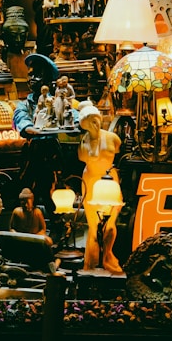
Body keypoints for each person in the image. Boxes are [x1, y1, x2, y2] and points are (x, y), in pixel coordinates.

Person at [13, 53, 63, 215]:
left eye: (38, 75)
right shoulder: (25, 104)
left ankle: (57, 224)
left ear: (48, 79)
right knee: (27, 188)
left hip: (51, 152)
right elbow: (21, 119)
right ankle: (27, 223)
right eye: (31, 75)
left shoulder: (56, 102)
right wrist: (29, 128)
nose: (33, 79)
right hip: (33, 151)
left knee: (52, 191)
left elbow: (72, 115)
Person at [76, 100, 123, 272]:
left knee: (110, 222)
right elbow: (87, 157)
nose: (95, 124)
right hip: (92, 181)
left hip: (110, 181)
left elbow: (118, 153)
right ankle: (91, 261)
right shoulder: (84, 143)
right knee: (94, 224)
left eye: (95, 120)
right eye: (90, 122)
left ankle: (108, 256)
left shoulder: (113, 138)